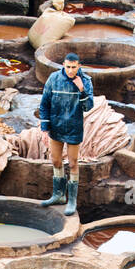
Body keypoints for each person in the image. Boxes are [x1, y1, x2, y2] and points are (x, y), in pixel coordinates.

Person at [38, 52, 94, 218]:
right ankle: (58, 195)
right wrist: (44, 128)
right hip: (56, 125)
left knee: (73, 162)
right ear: (64, 65)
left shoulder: (86, 81)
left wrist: (82, 90)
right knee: (55, 160)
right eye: (68, 67)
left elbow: (88, 107)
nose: (70, 70)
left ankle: (72, 200)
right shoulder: (54, 79)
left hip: (74, 127)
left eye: (74, 67)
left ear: (79, 66)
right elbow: (44, 104)